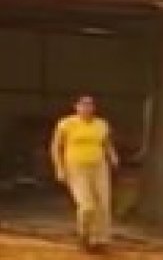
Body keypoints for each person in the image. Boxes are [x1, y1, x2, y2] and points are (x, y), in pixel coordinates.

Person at [51, 95, 119, 254]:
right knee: (87, 205)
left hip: (98, 166)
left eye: (90, 105)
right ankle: (84, 235)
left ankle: (100, 240)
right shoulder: (66, 124)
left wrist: (113, 156)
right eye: (83, 105)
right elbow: (56, 147)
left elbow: (106, 143)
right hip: (76, 167)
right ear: (76, 107)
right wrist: (59, 168)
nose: (87, 108)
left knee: (103, 203)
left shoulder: (101, 124)